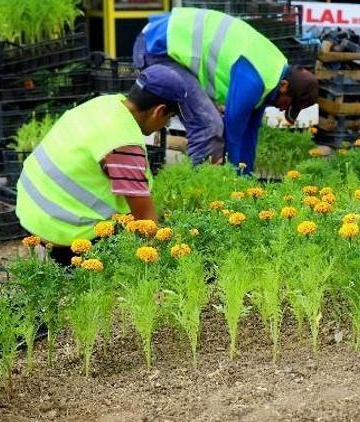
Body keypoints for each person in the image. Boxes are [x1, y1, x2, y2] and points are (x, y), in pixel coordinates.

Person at [16, 64, 185, 266]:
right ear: (159, 111)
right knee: (131, 235)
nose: (165, 126)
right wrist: (168, 262)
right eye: (169, 119)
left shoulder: (104, 104)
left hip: (31, 211)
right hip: (63, 233)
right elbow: (145, 221)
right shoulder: (122, 143)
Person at [133, 7, 319, 173]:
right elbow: (234, 133)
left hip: (166, 43)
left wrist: (247, 180)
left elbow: (249, 132)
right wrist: (235, 183)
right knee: (209, 126)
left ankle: (208, 186)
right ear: (284, 85)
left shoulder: (273, 75)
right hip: (159, 47)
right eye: (288, 104)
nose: (282, 109)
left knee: (214, 126)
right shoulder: (254, 79)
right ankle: (198, 195)